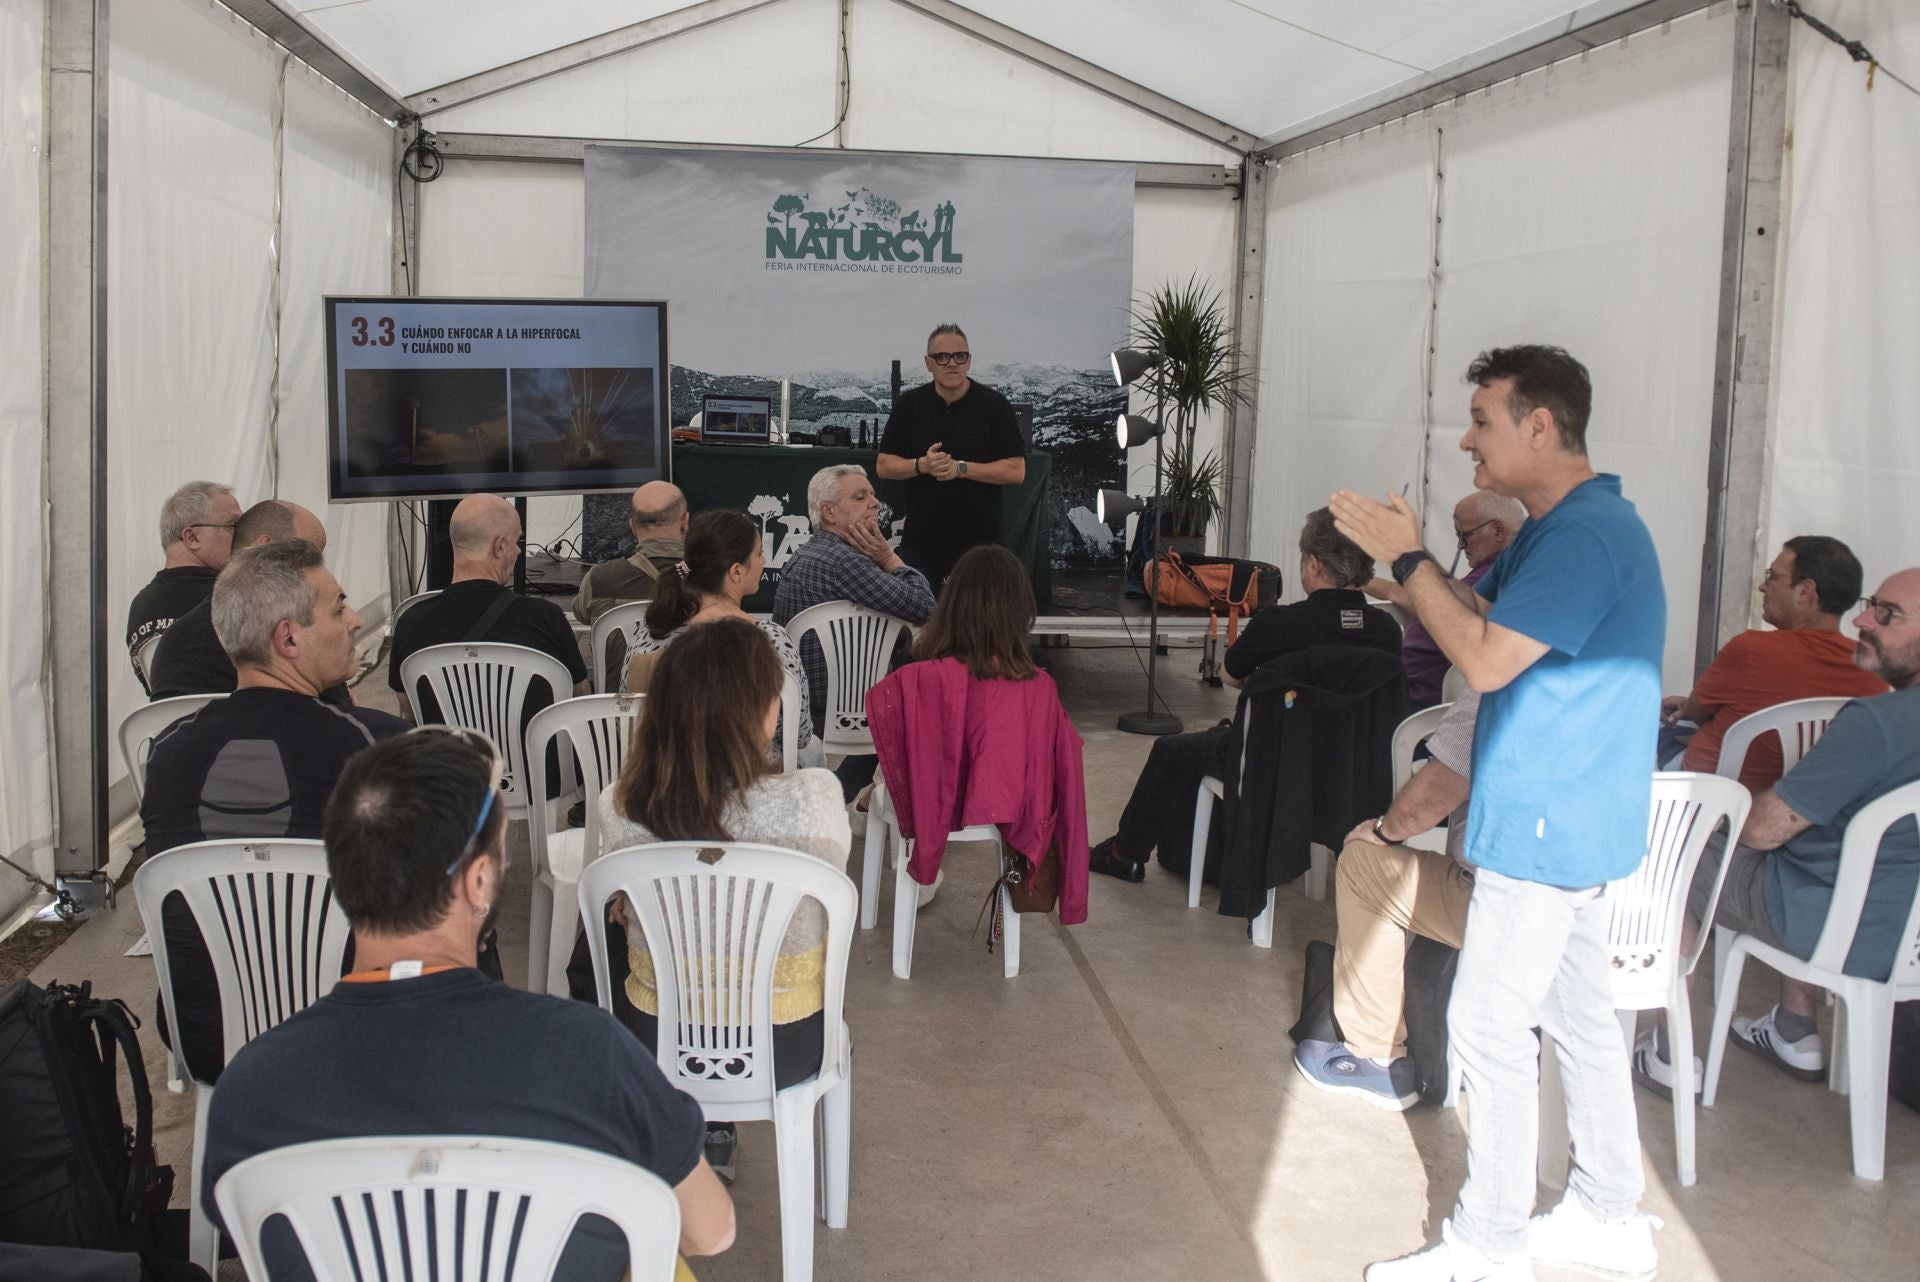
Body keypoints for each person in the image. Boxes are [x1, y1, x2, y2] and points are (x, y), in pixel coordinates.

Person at [1332, 344, 1664, 1282]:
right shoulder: (1567, 529)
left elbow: (1481, 660)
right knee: (1584, 1023)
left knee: (1488, 1026)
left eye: (1483, 420)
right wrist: (1400, 574)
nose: (1467, 441)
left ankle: (1490, 1244)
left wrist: (1407, 553)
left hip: (1549, 816)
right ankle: (1607, 1213)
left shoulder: (1584, 537)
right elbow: (1468, 615)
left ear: (1540, 427)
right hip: (1576, 814)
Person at [201, 730, 735, 1279]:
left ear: (341, 879)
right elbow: (711, 1231)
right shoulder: (589, 1055)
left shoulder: (252, 1085)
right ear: (479, 881)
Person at [142, 540, 408, 1082]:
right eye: (338, 607)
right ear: (287, 638)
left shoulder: (167, 753)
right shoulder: (380, 748)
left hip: (204, 1036)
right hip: (353, 1032)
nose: (356, 620)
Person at [599, 617, 850, 1184]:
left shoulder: (618, 807)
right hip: (787, 1040)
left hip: (656, 1039)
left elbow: (621, 904)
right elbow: (829, 900)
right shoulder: (816, 799)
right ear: (763, 710)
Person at [1663, 568, 1920, 1089]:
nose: (1862, 619)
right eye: (1871, 604)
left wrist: (1716, 812)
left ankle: (1672, 1054)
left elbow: (1761, 830)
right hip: (1906, 933)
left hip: (1836, 925)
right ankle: (1793, 1027)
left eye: (1886, 614)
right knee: (1809, 847)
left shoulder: (1878, 724)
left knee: (1672, 854)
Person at [1088, 508, 1401, 883]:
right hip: (1349, 772)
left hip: (1267, 761)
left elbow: (1230, 676)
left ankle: (1126, 853)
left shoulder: (1279, 623)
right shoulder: (1387, 630)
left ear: (1315, 565)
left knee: (1169, 751)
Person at [866, 544, 1091, 922]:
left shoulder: (917, 674)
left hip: (929, 803)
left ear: (952, 604)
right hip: (1007, 806)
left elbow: (892, 742)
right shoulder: (1039, 685)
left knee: (878, 786)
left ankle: (873, 816)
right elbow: (1058, 769)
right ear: (1021, 610)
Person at [1293, 691, 1481, 1109]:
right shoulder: (1623, 683)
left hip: (1511, 906)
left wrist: (1380, 830)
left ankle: (1374, 1055)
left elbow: (1433, 797)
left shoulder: (1501, 685)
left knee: (1362, 863)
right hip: (1624, 915)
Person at [1661, 535, 1886, 791]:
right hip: (1804, 805)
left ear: (1804, 591)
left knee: (1652, 724)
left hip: (1716, 798)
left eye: (1773, 576)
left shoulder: (1751, 650)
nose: (1762, 587)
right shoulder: (1872, 673)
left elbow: (1698, 713)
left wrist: (1689, 707)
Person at [772, 464, 934, 798]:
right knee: (934, 683)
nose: (874, 503)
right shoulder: (843, 560)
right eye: (860, 497)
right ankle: (846, 797)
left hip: (809, 705)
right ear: (828, 512)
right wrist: (889, 556)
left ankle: (853, 797)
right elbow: (926, 606)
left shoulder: (812, 552)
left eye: (873, 495)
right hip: (845, 710)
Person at [622, 509, 821, 768]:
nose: (764, 561)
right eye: (759, 553)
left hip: (665, 776)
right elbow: (799, 734)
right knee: (812, 749)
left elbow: (629, 719)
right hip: (745, 780)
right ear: (736, 571)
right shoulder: (768, 640)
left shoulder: (650, 628)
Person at [387, 493, 589, 721]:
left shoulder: (410, 624)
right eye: (517, 542)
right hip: (525, 757)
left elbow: (410, 710)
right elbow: (576, 697)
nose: (519, 551)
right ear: (500, 547)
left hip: (446, 755)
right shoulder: (546, 618)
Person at [874, 323, 1026, 594]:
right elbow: (884, 465)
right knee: (914, 624)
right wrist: (922, 465)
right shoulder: (910, 405)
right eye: (942, 357)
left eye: (960, 356)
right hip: (921, 542)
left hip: (981, 546)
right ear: (928, 363)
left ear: (969, 361)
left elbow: (1016, 470)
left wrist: (962, 469)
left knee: (981, 627)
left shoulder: (994, 405)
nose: (952, 364)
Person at [147, 499, 348, 703]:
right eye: (308, 557)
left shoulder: (173, 641)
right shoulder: (294, 633)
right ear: (266, 548)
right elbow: (342, 719)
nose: (318, 570)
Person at [1368, 492, 1524, 709]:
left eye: (1465, 535)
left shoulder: (1499, 572)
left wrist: (1364, 580)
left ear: (1497, 531)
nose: (1460, 546)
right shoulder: (1510, 568)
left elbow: (1439, 604)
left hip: (1424, 698)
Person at [126, 480, 241, 688]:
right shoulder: (235, 596)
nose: (243, 535)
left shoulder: (139, 605)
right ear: (192, 537)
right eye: (233, 526)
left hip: (167, 720)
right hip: (236, 716)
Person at [573, 480, 689, 625]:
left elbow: (581, 614)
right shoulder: (715, 579)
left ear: (632, 526)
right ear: (685, 522)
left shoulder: (598, 579)